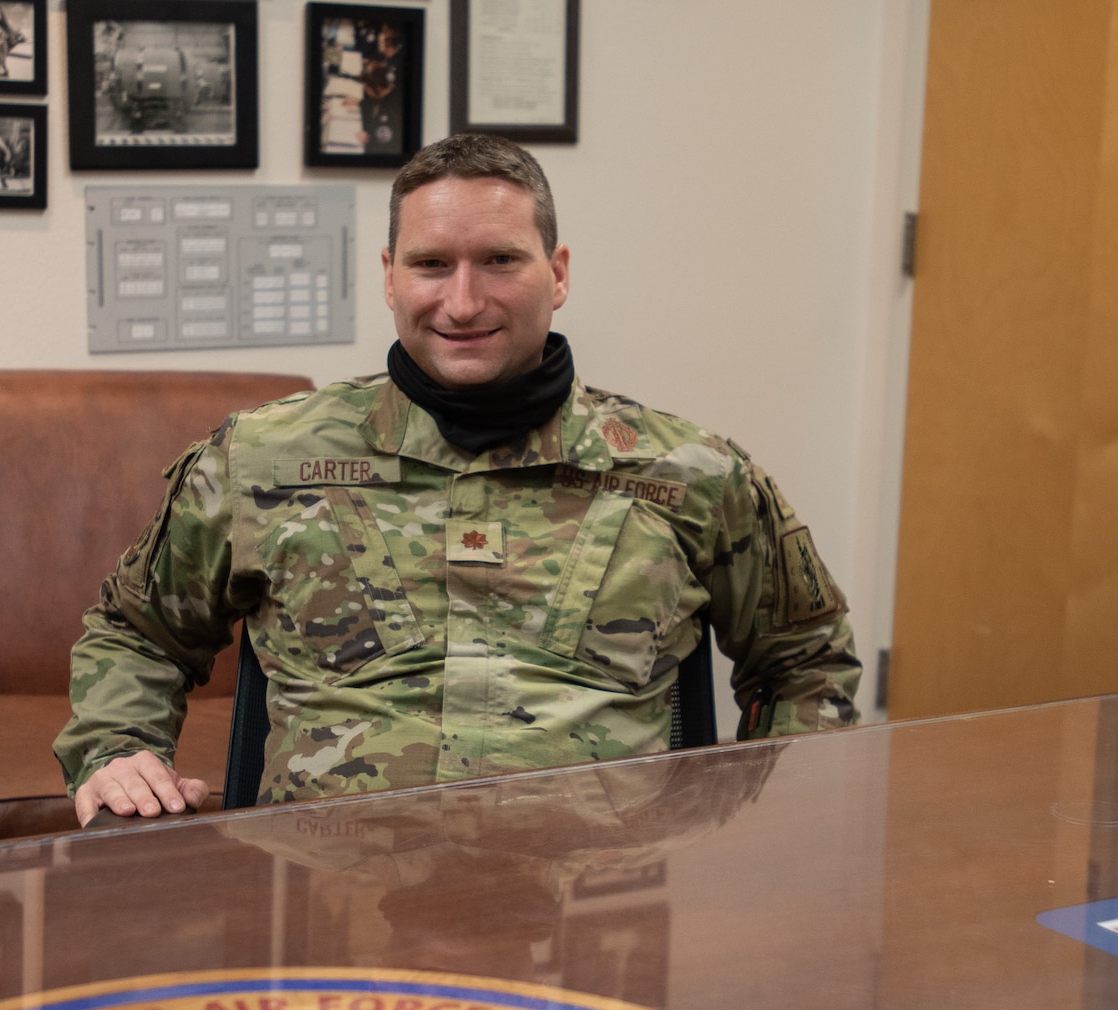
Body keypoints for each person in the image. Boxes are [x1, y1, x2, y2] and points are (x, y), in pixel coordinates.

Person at [56, 132, 862, 824]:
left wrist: (765, 824)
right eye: (432, 263)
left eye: (500, 260)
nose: (463, 300)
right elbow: (137, 631)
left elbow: (807, 657)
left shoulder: (690, 474)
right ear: (389, 275)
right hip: (332, 918)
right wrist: (119, 749)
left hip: (598, 916)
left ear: (560, 271)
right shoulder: (262, 459)